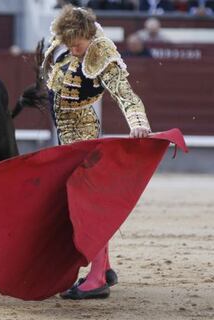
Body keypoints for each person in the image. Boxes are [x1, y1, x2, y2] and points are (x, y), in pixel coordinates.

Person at [41, 5, 151, 299]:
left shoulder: (102, 55)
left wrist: (139, 124)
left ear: (89, 36)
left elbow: (126, 95)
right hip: (66, 133)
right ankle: (105, 268)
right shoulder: (68, 38)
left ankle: (97, 278)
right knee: (83, 203)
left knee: (84, 205)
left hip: (82, 132)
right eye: (69, 45)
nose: (74, 50)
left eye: (77, 45)